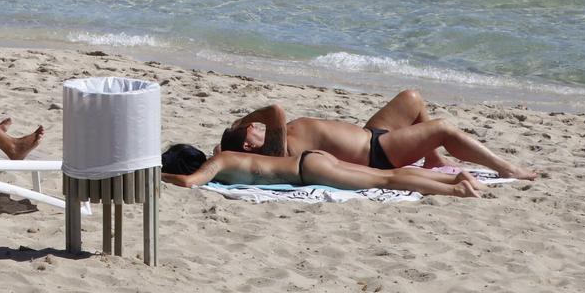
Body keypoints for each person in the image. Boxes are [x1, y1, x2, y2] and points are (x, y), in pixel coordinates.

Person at [217, 93, 539, 180]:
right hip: (376, 154)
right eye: (251, 130)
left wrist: (228, 140)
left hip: (370, 134)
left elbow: (221, 151)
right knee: (442, 128)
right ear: (248, 143)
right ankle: (506, 168)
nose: (256, 127)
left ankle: (432, 158)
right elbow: (274, 110)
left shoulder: (270, 142)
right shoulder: (274, 151)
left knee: (411, 99)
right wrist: (241, 121)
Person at [160, 142, 488, 197]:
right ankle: (454, 177)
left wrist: (157, 175)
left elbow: (190, 183)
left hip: (309, 171)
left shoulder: (218, 164)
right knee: (382, 177)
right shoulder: (225, 156)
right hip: (311, 159)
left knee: (386, 179)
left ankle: (455, 188)